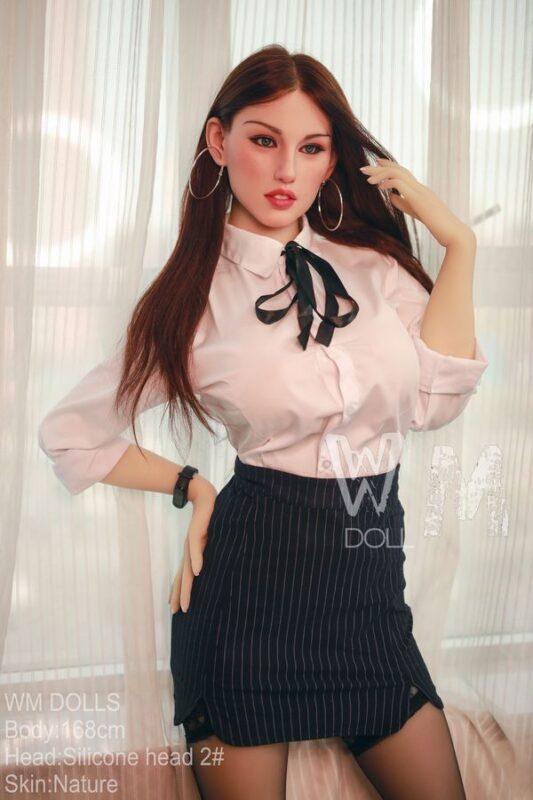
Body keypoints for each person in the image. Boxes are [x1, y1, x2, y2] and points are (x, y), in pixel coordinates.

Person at [38, 44, 488, 800]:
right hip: (247, 597)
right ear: (219, 142)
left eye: (310, 148)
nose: (286, 170)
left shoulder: (372, 268)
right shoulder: (193, 300)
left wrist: (460, 244)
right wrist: (193, 486)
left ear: (331, 160)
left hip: (371, 584)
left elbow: (435, 401)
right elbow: (70, 431)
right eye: (263, 140)